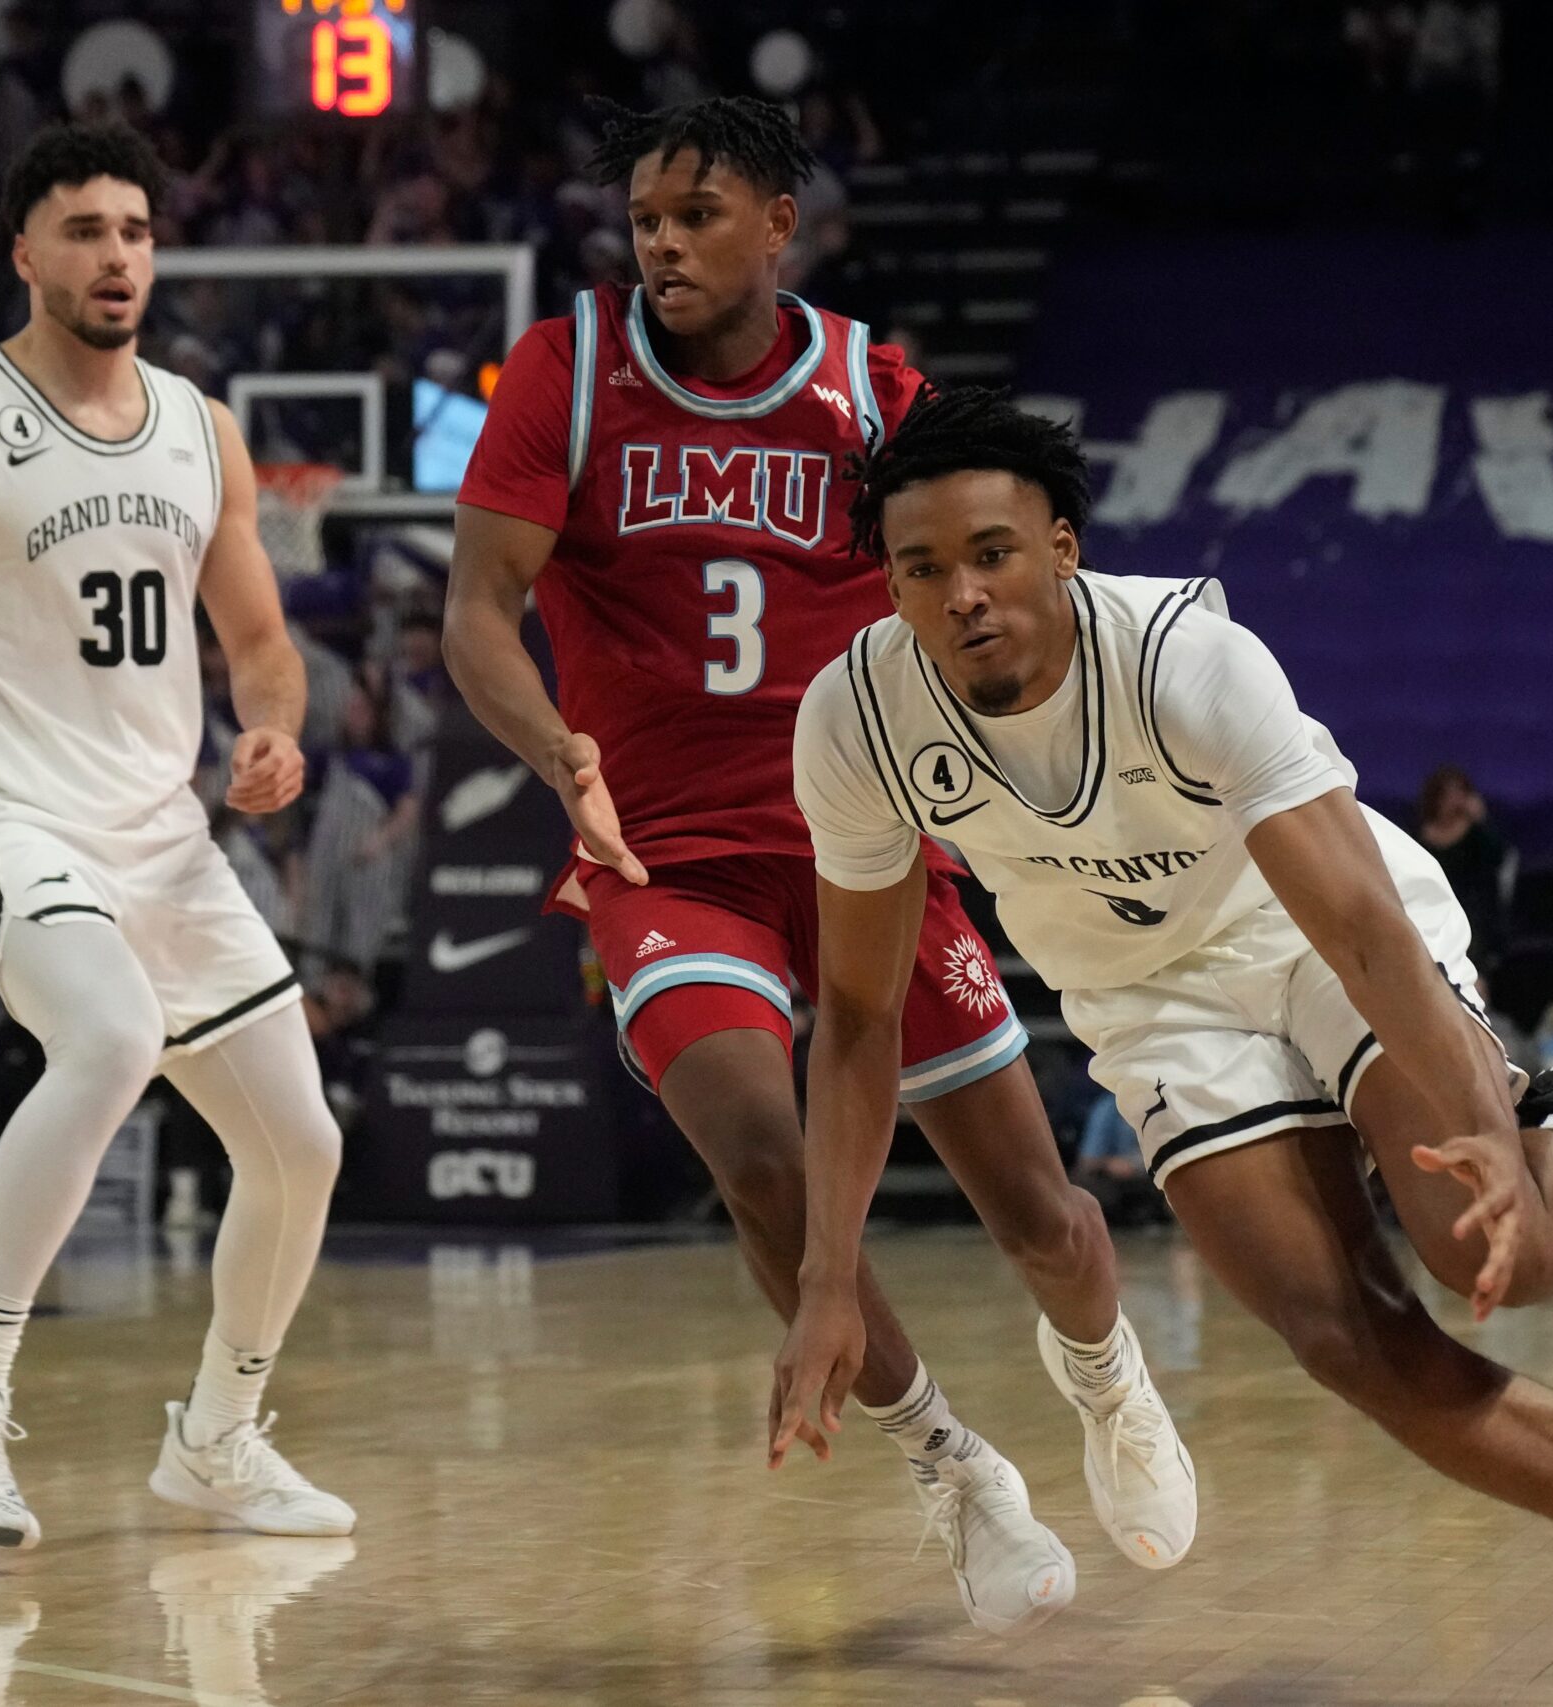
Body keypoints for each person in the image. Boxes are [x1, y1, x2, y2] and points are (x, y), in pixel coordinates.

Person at [772, 388, 1553, 1707]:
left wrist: (1489, 1132)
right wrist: (825, 1278)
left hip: (1314, 928)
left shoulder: (1184, 661)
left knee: (1496, 1251)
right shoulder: (856, 722)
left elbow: (1367, 929)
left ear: (1061, 549)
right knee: (1353, 1343)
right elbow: (859, 1018)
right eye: (922, 568)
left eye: (991, 552)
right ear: (892, 586)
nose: (962, 592)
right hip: (1151, 1006)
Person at [444, 97, 1192, 1633]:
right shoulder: (568, 370)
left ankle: (1109, 1378)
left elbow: (976, 559)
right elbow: (475, 611)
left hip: (866, 836)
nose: (662, 242)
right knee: (763, 1159)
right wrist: (559, 753)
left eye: (697, 215)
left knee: (1045, 1217)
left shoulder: (868, 386)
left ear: (779, 224)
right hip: (663, 851)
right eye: (645, 219)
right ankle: (951, 1461)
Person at [0, 124, 351, 1551]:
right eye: (87, 229)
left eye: (136, 230)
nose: (117, 255)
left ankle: (217, 1443)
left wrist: (273, 728)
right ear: (25, 252)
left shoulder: (199, 425)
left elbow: (261, 639)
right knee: (104, 1037)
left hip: (161, 831)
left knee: (301, 1145)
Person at [1412, 764, 1508, 970]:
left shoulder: (1478, 835)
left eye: (1460, 793)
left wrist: (1481, 820)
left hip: (1472, 914)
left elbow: (1499, 858)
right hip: (1430, 909)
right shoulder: (1417, 834)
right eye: (1448, 794)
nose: (1454, 801)